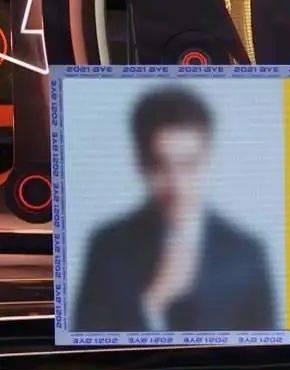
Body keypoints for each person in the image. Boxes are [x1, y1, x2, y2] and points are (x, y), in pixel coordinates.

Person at [74, 87, 276, 332]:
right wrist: (152, 302)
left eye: (189, 165)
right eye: (161, 166)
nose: (176, 185)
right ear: (140, 163)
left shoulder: (247, 254)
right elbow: (86, 341)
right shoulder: (107, 247)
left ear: (208, 161)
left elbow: (269, 348)